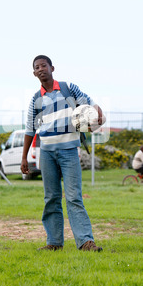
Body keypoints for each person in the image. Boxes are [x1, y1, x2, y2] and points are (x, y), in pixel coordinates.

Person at [21, 55, 105, 252]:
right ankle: (54, 242)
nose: (40, 69)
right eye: (37, 67)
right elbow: (29, 129)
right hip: (47, 154)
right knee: (51, 197)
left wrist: (99, 116)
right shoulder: (36, 99)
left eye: (44, 65)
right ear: (34, 73)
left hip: (68, 152)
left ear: (52, 68)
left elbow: (90, 105)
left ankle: (85, 242)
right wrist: (24, 157)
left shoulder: (68, 89)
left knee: (74, 197)